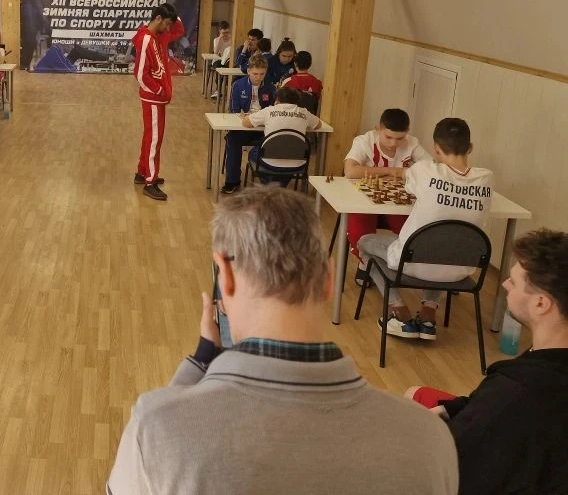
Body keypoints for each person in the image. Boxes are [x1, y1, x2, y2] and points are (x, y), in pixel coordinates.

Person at [107, 187, 457, 495]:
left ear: (225, 277)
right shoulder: (430, 440)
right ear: (328, 280)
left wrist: (198, 364)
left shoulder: (156, 429)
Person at [406, 229, 568, 494]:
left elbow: (456, 469)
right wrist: (449, 409)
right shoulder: (548, 356)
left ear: (541, 304)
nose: (504, 284)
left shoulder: (514, 394)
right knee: (416, 394)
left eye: (514, 282)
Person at [358, 118, 493, 340]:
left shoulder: (424, 170)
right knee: (445, 246)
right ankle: (429, 314)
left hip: (411, 262)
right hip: (461, 268)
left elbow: (409, 184)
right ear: (470, 148)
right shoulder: (487, 178)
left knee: (364, 243)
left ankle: (398, 311)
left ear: (436, 149)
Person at [344, 108, 431, 278]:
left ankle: (398, 262)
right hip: (364, 202)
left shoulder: (412, 143)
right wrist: (393, 171)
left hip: (397, 203)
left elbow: (431, 170)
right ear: (378, 129)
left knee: (413, 231)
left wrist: (398, 173)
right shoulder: (364, 141)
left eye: (400, 138)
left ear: (408, 132)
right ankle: (366, 264)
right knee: (360, 231)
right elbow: (350, 171)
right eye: (388, 137)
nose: (393, 143)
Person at [132, 2, 184, 201]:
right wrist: (159, 90)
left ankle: (142, 172)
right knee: (155, 139)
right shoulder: (146, 39)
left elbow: (179, 29)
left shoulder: (161, 35)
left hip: (158, 99)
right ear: (158, 18)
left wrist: (172, 13)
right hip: (153, 98)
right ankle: (150, 181)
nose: (169, 28)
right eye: (167, 23)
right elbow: (140, 74)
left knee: (150, 136)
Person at [241, 86, 321, 186]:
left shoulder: (269, 111)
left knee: (254, 152)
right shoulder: (304, 112)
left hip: (269, 161)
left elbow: (246, 123)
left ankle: (269, 183)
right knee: (285, 156)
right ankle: (279, 185)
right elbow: (318, 125)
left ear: (277, 99)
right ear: (296, 100)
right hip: (297, 161)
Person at [221, 55, 276, 194]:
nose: (258, 77)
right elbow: (234, 110)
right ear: (248, 71)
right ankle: (232, 181)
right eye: (255, 74)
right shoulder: (238, 85)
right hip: (243, 127)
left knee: (273, 142)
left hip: (263, 129)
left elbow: (272, 110)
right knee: (232, 140)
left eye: (262, 74)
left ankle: (268, 181)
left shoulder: (270, 88)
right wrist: (243, 116)